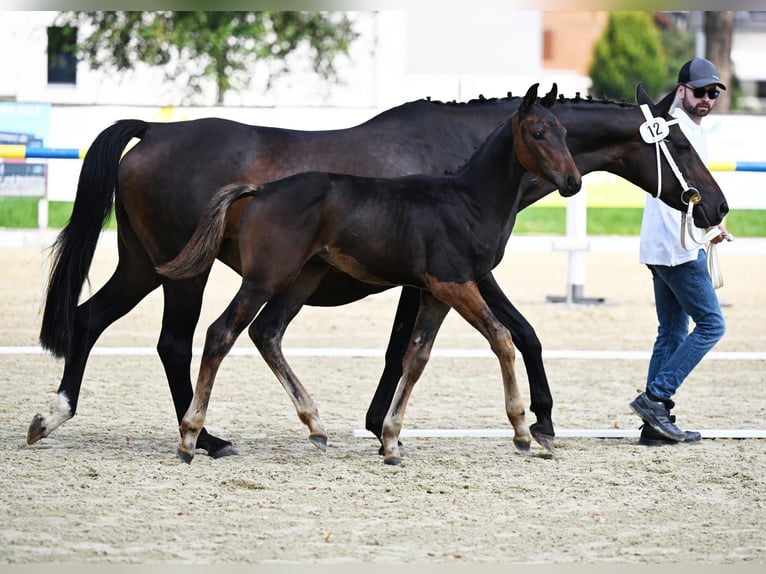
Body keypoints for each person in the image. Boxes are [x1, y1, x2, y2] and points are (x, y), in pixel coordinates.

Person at [630, 57, 730, 446]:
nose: (707, 98)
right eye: (700, 91)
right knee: (712, 325)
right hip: (678, 247)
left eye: (713, 92)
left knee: (671, 331)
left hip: (666, 244)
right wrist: (697, 235)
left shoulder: (685, 129)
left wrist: (711, 223)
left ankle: (654, 426)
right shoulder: (675, 127)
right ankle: (655, 398)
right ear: (681, 90)